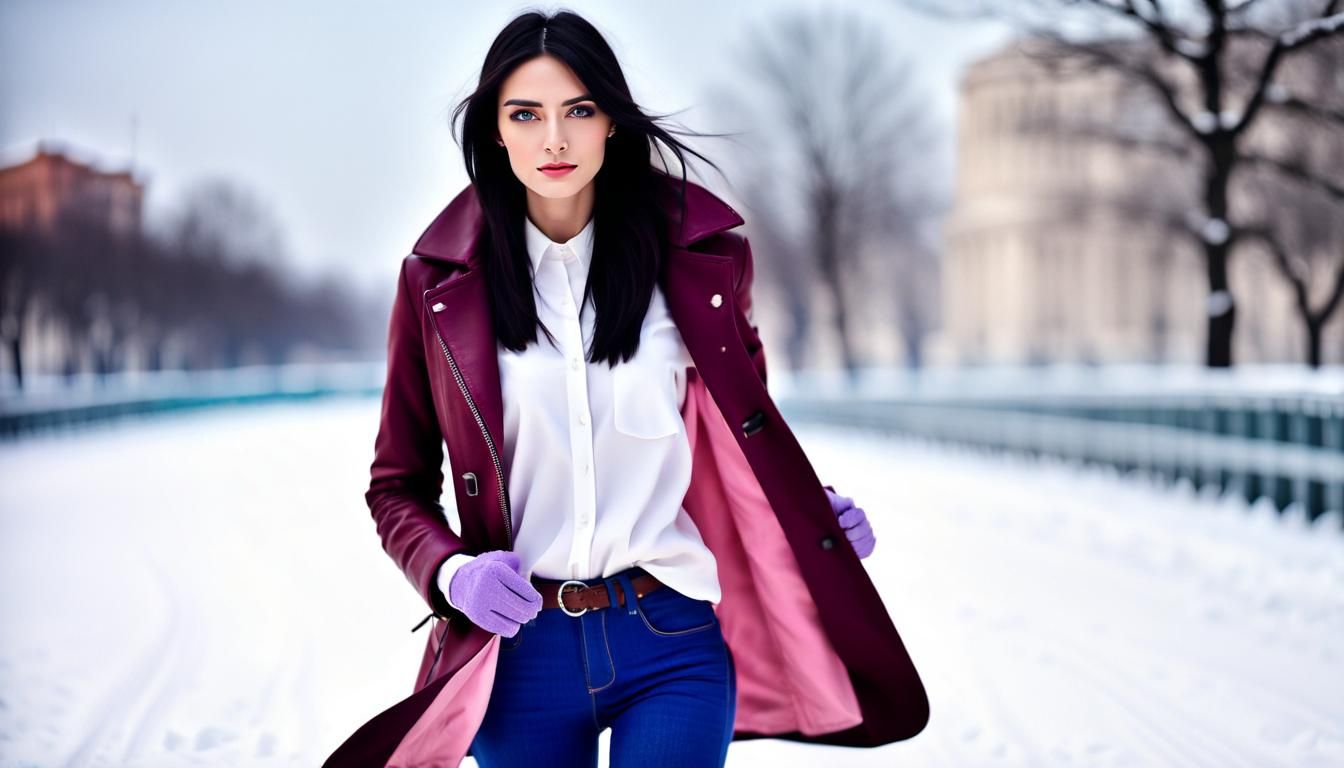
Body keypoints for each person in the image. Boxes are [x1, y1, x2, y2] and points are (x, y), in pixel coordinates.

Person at [324, 9, 926, 768]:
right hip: (518, 656)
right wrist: (453, 574)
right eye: (526, 114)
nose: (554, 139)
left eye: (579, 109)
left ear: (611, 122)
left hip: (670, 638)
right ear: (495, 131)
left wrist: (812, 517)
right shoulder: (436, 286)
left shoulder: (704, 267)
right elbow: (396, 486)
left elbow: (741, 444)